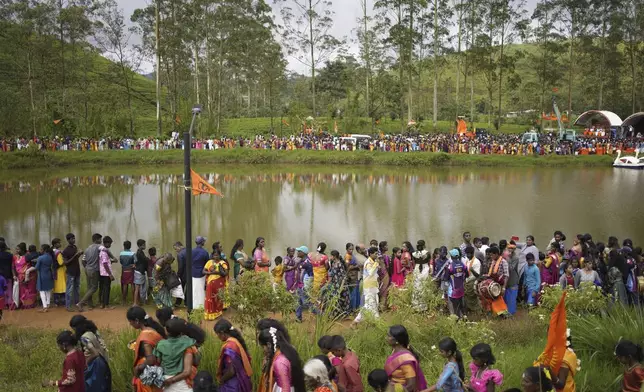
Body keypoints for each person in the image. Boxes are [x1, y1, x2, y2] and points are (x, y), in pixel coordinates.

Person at [127, 306, 167, 392]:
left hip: (150, 375)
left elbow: (151, 360)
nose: (130, 324)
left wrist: (139, 367)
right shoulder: (153, 329)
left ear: (137, 321)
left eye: (131, 322)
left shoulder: (145, 339)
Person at [69, 315, 111, 392]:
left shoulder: (84, 338)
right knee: (103, 385)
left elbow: (95, 353)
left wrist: (85, 363)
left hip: (94, 364)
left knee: (93, 386)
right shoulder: (93, 330)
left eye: (74, 329)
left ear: (78, 327)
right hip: (103, 361)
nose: (74, 331)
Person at [257, 326, 306, 392]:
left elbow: (285, 388)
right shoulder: (287, 351)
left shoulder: (279, 362)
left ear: (268, 345)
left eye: (263, 347)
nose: (263, 350)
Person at [154, 318, 197, 391]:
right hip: (181, 380)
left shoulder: (160, 344)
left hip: (166, 379)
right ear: (181, 332)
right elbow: (187, 372)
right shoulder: (187, 342)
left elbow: (158, 362)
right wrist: (172, 380)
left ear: (167, 332)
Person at [385, 325, 427, 392]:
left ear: (396, 340)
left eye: (389, 336)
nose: (386, 338)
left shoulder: (405, 359)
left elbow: (411, 385)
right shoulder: (394, 351)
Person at [214, 318, 253, 392]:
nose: (217, 336)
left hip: (232, 385)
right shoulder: (236, 341)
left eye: (217, 334)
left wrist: (221, 380)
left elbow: (232, 371)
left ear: (222, 333)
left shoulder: (230, 346)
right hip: (241, 380)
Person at [353, 247, 380, 325]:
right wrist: (376, 264)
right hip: (369, 287)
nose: (377, 255)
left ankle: (374, 322)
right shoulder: (368, 262)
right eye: (375, 254)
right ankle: (356, 322)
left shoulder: (373, 262)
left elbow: (374, 274)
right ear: (371, 254)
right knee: (370, 305)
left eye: (377, 253)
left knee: (374, 303)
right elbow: (370, 273)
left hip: (373, 286)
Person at [321, 250, 351, 319]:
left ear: (334, 256)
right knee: (335, 299)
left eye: (331, 256)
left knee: (342, 299)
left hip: (340, 285)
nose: (330, 257)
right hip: (334, 284)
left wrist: (342, 286)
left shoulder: (339, 264)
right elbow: (331, 274)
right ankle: (335, 314)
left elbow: (344, 276)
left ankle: (343, 314)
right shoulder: (333, 263)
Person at [77, 233, 102, 312]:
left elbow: (83, 260)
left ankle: (90, 304)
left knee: (89, 287)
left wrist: (87, 267)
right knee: (94, 287)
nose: (101, 241)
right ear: (96, 240)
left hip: (87, 269)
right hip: (94, 270)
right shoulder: (99, 247)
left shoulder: (87, 249)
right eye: (100, 239)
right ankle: (81, 303)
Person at [204, 252, 229, 320]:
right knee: (210, 298)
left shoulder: (222, 263)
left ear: (219, 256)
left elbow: (226, 273)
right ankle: (210, 314)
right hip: (210, 282)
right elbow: (203, 271)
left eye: (217, 255)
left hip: (219, 283)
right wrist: (210, 273)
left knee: (218, 297)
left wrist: (217, 272)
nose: (216, 257)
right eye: (214, 255)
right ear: (212, 256)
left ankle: (218, 313)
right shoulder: (209, 262)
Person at [62, 233, 82, 312]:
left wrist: (79, 254)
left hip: (77, 271)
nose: (74, 240)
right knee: (69, 289)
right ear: (68, 240)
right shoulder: (65, 251)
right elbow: (65, 263)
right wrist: (75, 256)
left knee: (77, 288)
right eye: (72, 239)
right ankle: (68, 305)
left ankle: (77, 303)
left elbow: (76, 258)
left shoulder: (75, 247)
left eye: (74, 238)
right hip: (70, 272)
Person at [446, 249, 468, 319]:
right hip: (461, 289)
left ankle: (458, 320)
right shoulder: (463, 265)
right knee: (461, 304)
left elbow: (446, 277)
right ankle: (464, 317)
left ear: (451, 257)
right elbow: (467, 274)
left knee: (455, 306)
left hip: (453, 290)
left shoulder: (450, 266)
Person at [295, 245, 315, 322]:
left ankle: (321, 314)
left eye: (299, 251)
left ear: (303, 253)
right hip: (299, 285)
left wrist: (306, 286)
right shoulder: (302, 261)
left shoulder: (306, 263)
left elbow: (310, 276)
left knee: (306, 303)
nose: (298, 252)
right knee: (298, 302)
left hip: (304, 286)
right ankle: (298, 318)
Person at [15, 242, 37, 309]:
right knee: (22, 290)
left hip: (30, 276)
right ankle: (24, 304)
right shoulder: (16, 257)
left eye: (18, 249)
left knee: (30, 290)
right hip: (20, 276)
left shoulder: (28, 256)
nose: (16, 251)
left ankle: (30, 304)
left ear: (22, 249)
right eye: (16, 249)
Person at [192, 236, 210, 309]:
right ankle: (201, 306)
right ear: (202, 242)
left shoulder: (192, 251)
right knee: (201, 289)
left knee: (194, 289)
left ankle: (194, 305)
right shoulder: (205, 252)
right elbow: (207, 263)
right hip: (201, 273)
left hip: (193, 272)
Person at [36, 244, 55, 313]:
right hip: (49, 274)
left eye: (41, 249)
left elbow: (36, 268)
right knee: (48, 290)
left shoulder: (40, 258)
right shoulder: (50, 257)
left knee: (41, 291)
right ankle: (48, 303)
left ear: (44, 250)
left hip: (42, 275)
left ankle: (44, 307)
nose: (40, 250)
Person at [98, 236, 116, 310]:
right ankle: (106, 305)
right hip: (106, 274)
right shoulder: (104, 252)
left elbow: (104, 263)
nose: (110, 245)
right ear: (106, 243)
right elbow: (105, 264)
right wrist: (110, 274)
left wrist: (111, 261)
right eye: (110, 243)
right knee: (107, 289)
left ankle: (102, 304)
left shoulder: (101, 251)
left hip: (102, 273)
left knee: (102, 288)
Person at [464, 246, 482, 313]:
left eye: (470, 254)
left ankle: (478, 312)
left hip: (473, 282)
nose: (468, 255)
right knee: (468, 298)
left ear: (473, 253)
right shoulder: (467, 260)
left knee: (473, 299)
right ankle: (472, 312)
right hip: (467, 281)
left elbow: (478, 275)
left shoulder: (476, 262)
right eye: (467, 254)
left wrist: (472, 270)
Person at [133, 239, 150, 307]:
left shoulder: (140, 252)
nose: (145, 246)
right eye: (144, 245)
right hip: (139, 272)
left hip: (139, 271)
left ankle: (140, 302)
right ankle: (135, 303)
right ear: (141, 245)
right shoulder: (140, 253)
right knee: (137, 288)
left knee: (141, 288)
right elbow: (145, 260)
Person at [345, 243, 361, 311]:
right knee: (353, 292)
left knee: (356, 291)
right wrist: (356, 266)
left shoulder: (351, 255)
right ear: (346, 249)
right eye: (350, 249)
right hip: (351, 277)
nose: (351, 250)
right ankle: (352, 308)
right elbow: (347, 267)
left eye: (352, 249)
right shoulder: (347, 256)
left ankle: (356, 307)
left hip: (355, 276)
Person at [52, 238, 66, 307]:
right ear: (55, 244)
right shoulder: (58, 253)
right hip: (60, 271)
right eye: (59, 243)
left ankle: (56, 302)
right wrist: (66, 260)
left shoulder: (51, 251)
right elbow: (61, 263)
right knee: (62, 286)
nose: (60, 244)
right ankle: (63, 301)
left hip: (54, 270)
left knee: (56, 286)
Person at [120, 240, 136, 305]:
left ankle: (124, 301)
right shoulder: (133, 253)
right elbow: (135, 261)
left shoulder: (121, 253)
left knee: (124, 285)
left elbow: (121, 262)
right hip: (131, 270)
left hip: (124, 270)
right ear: (130, 246)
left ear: (124, 246)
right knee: (132, 284)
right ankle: (133, 300)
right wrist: (132, 265)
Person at [0, 239, 14, 311]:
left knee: (1, 289)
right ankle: (9, 304)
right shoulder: (10, 255)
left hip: (0, 275)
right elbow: (12, 265)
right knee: (9, 289)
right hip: (8, 274)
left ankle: (2, 304)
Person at [173, 242, 187, 306]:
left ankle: (178, 303)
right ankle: (187, 302)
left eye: (176, 249)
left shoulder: (180, 255)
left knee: (180, 288)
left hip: (183, 274)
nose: (176, 251)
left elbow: (180, 266)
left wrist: (178, 275)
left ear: (179, 247)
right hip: (191, 274)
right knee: (188, 289)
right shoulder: (190, 251)